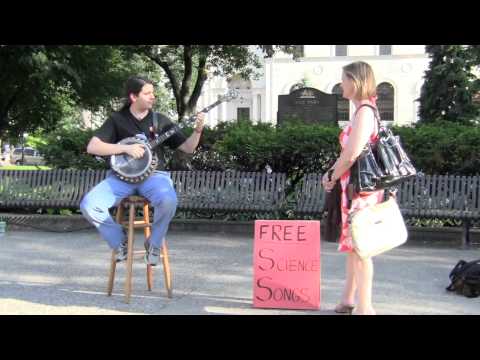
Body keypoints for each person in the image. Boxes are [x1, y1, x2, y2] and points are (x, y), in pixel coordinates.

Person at [80, 76, 205, 266]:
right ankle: (119, 241)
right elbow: (93, 147)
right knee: (89, 205)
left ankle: (154, 244)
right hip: (121, 178)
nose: (153, 97)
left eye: (153, 93)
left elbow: (188, 148)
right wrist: (125, 149)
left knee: (168, 200)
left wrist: (197, 131)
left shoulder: (160, 121)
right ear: (133, 96)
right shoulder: (117, 120)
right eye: (147, 93)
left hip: (155, 177)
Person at [322, 61, 383, 315]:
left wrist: (333, 176)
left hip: (362, 191)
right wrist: (331, 174)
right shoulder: (362, 111)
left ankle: (365, 308)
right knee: (353, 248)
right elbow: (347, 153)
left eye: (344, 79)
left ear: (355, 81)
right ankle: (348, 301)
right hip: (356, 189)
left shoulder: (365, 112)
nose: (341, 84)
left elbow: (352, 153)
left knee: (361, 249)